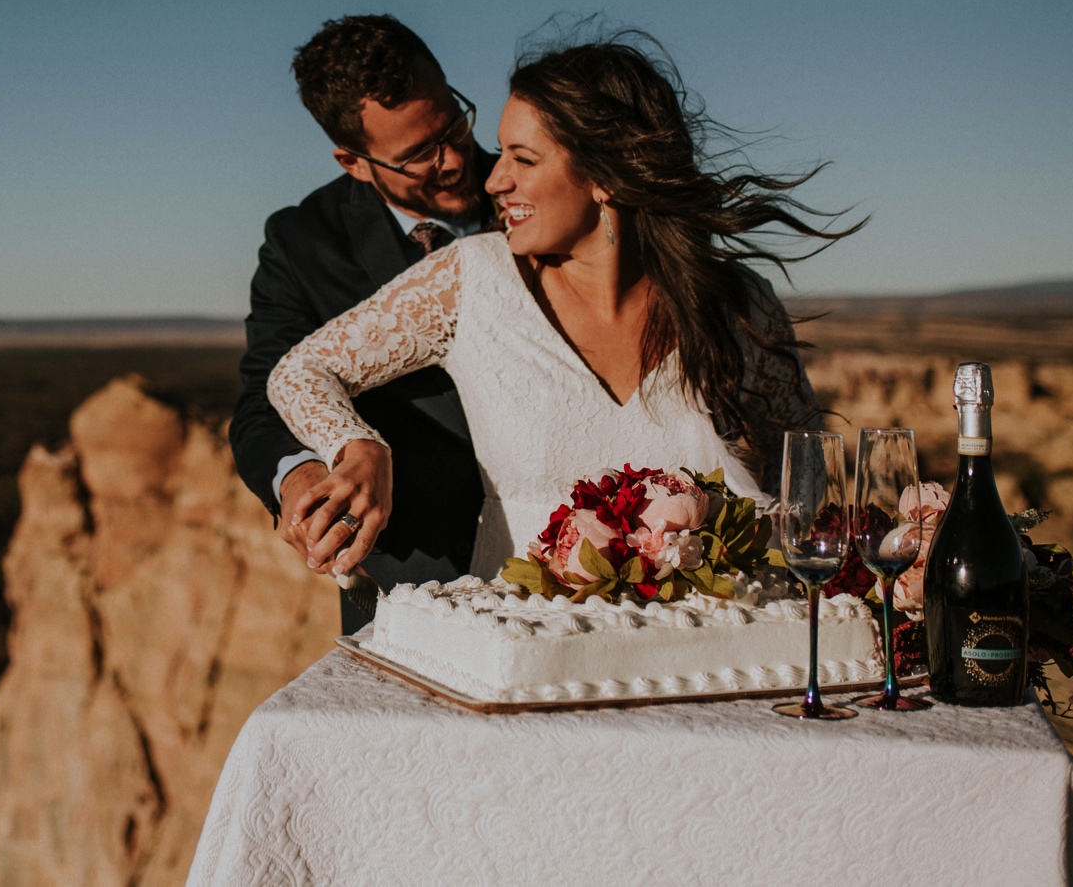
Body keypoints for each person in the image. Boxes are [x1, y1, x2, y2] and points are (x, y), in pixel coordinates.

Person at [267, 28, 847, 583]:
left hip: (710, 659)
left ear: (605, 176)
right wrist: (359, 445)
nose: (491, 179)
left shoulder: (737, 303)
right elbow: (297, 372)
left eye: (522, 157)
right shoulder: (469, 277)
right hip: (523, 653)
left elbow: (809, 483)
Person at [231, 16, 494, 632]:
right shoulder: (301, 241)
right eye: (417, 156)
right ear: (353, 161)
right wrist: (305, 475)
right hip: (414, 579)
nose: (455, 160)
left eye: (454, 123)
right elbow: (260, 404)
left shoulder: (535, 187)